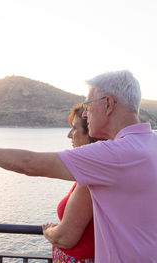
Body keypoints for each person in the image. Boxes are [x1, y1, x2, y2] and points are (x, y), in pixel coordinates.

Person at [0, 70, 157, 263]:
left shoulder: (114, 155)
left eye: (89, 105)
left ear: (108, 104)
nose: (87, 114)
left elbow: (30, 164)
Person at [42, 103, 100, 263]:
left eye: (74, 128)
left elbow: (66, 238)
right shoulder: (90, 171)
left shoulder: (91, 176)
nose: (69, 135)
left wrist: (49, 232)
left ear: (91, 134)